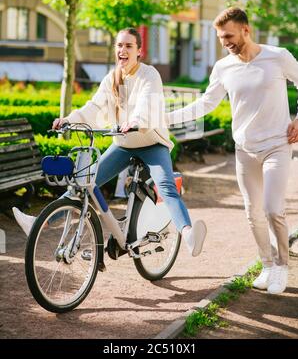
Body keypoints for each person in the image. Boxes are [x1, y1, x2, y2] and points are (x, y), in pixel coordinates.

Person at [13, 27, 207, 257]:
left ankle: (188, 234)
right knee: (82, 183)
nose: (123, 50)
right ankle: (38, 223)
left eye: (128, 46)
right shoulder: (111, 78)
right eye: (119, 45)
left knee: (165, 186)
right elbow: (93, 107)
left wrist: (136, 121)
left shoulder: (149, 74)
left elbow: (146, 102)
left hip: (152, 143)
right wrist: (68, 120)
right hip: (124, 144)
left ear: (139, 51)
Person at [166, 7, 298, 294]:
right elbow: (205, 104)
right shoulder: (223, 67)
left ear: (246, 30)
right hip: (244, 150)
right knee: (252, 213)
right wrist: (166, 118)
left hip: (277, 144)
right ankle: (266, 265)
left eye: (228, 35)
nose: (224, 42)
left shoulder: (278, 57)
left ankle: (281, 268)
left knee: (273, 209)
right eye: (220, 37)